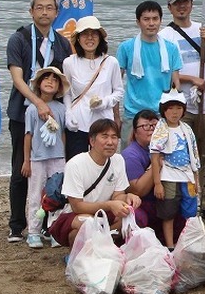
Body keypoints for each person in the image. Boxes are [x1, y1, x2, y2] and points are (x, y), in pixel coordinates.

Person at [6, 0, 73, 243]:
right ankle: (17, 225)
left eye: (49, 8)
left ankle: (48, 225)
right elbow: (17, 78)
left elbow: (66, 80)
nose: (44, 12)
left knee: (54, 172)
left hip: (53, 114)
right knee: (22, 169)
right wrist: (37, 104)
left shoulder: (63, 43)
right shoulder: (19, 39)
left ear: (56, 12)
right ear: (31, 11)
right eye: (39, 7)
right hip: (23, 112)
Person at [160, 0, 205, 217]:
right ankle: (182, 199)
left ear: (192, 4)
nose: (182, 7)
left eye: (185, 2)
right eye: (177, 4)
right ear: (170, 8)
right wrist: (192, 79)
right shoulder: (166, 35)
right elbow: (165, 70)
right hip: (180, 104)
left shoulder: (204, 30)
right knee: (179, 153)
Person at [49, 118, 141, 248]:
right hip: (74, 215)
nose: (110, 142)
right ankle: (79, 253)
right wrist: (110, 205)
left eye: (114, 137)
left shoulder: (118, 160)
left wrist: (127, 198)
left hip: (102, 214)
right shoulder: (75, 164)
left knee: (128, 216)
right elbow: (77, 206)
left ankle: (104, 247)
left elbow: (118, 195)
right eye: (104, 137)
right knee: (89, 223)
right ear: (92, 141)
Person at [116, 0, 182, 142]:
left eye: (155, 19)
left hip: (161, 114)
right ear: (138, 22)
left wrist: (174, 116)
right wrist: (116, 116)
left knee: (161, 159)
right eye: (146, 19)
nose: (151, 23)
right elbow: (116, 84)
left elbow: (176, 84)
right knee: (130, 158)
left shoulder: (171, 49)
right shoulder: (126, 47)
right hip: (133, 113)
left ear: (160, 21)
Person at [62, 16, 123, 160]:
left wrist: (104, 102)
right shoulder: (69, 63)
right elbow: (66, 93)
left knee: (102, 164)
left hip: (103, 122)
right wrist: (68, 113)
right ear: (78, 38)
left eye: (94, 34)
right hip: (78, 123)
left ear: (100, 38)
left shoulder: (111, 62)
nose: (89, 38)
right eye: (85, 34)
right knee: (76, 163)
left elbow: (119, 91)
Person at [121, 109, 185, 247]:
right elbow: (138, 190)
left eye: (154, 126)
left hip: (162, 201)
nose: (151, 130)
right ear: (135, 131)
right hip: (141, 203)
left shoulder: (167, 148)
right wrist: (155, 164)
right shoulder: (131, 155)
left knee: (181, 215)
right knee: (137, 217)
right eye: (145, 126)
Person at [22, 67, 70, 249]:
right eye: (46, 78)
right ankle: (33, 232)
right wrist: (27, 160)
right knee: (35, 195)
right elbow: (28, 136)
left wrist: (64, 156)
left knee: (56, 194)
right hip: (37, 159)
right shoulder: (32, 110)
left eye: (55, 80)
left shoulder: (61, 108)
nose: (50, 81)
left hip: (57, 157)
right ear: (39, 84)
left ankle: (54, 231)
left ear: (59, 87)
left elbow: (63, 134)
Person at [150, 90, 200, 249]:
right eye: (170, 108)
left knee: (189, 210)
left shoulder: (187, 128)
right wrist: (157, 182)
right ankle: (170, 245)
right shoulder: (161, 128)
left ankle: (186, 243)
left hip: (187, 174)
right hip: (169, 175)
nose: (174, 112)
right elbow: (155, 156)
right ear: (164, 110)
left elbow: (194, 153)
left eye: (178, 108)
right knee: (168, 211)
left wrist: (196, 178)